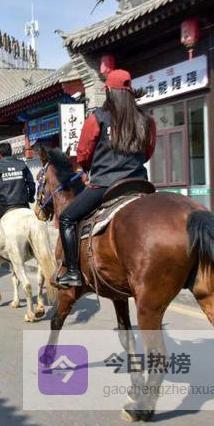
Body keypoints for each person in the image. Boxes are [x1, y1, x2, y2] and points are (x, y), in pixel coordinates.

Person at [57, 69, 156, 287]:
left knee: (66, 217)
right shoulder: (147, 119)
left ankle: (73, 272)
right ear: (130, 91)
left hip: (105, 185)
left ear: (109, 91)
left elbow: (83, 154)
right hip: (140, 184)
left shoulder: (97, 118)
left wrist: (86, 168)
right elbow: (149, 152)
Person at [0, 142, 35, 257]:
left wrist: (1, 193)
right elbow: (31, 183)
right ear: (10, 152)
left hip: (6, 205)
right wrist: (30, 197)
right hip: (23, 204)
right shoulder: (22, 164)